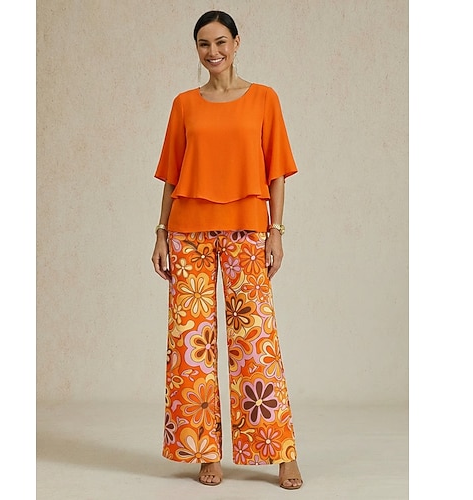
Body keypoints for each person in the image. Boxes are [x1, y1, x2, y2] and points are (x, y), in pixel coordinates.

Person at [151, 10, 303, 490]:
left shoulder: (264, 98)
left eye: (220, 42)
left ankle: (280, 451)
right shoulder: (183, 104)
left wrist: (276, 231)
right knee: (190, 348)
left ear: (237, 43)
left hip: (246, 231)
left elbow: (276, 172)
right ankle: (204, 451)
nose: (212, 51)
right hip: (187, 233)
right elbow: (172, 176)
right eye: (203, 44)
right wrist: (160, 232)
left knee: (256, 342)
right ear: (196, 49)